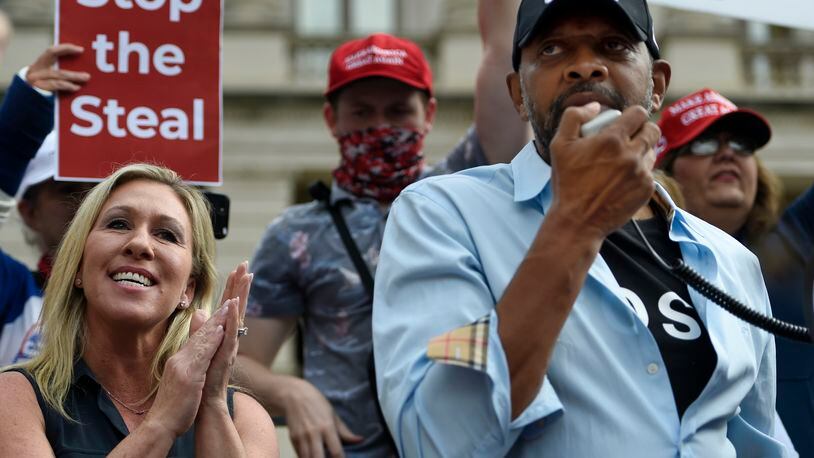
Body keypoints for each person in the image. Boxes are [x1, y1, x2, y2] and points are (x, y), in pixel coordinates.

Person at [372, 0, 786, 455]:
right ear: (517, 95)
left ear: (657, 86)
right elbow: (438, 439)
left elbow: (760, 439)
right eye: (552, 51)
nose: (584, 67)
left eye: (614, 46)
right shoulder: (442, 216)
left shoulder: (730, 260)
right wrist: (576, 224)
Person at [236, 2, 528, 457]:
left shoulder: (463, 189)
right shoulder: (294, 233)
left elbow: (503, 56)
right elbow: (241, 365)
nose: (380, 127)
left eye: (397, 111)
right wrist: (292, 393)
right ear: (333, 120)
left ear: (428, 114)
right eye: (361, 113)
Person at [0, 163, 278, 456]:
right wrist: (162, 423)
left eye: (167, 234)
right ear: (78, 267)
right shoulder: (15, 396)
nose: (140, 244)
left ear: (189, 289)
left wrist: (212, 401)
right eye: (118, 224)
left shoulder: (244, 417)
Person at [655, 88, 813, 456]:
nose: (727, 152)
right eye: (705, 143)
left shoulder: (789, 250)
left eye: (742, 144)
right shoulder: (633, 264)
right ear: (664, 168)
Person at [0, 44, 90, 365]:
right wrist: (23, 118)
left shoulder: (155, 296)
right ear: (29, 211)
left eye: (98, 190)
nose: (86, 203)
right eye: (67, 190)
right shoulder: (12, 292)